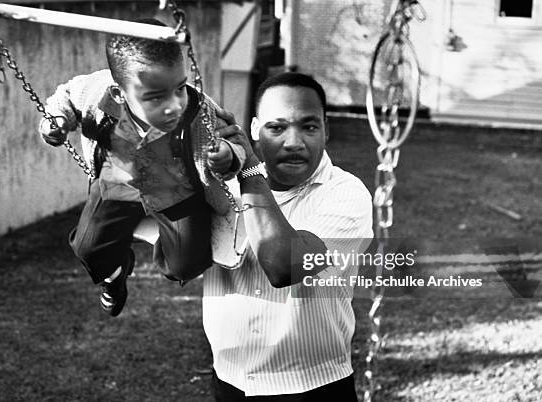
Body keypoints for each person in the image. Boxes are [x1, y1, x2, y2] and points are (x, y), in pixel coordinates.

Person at [39, 19, 245, 317]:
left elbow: (232, 140)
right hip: (118, 182)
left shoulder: (199, 109)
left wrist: (228, 157)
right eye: (155, 97)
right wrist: (55, 121)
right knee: (87, 247)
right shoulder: (97, 92)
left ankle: (163, 234)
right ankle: (115, 275)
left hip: (175, 188)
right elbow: (66, 96)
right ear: (120, 94)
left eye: (179, 88)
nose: (173, 105)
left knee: (186, 265)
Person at [204, 72, 373, 400]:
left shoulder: (347, 194)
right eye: (276, 127)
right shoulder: (223, 185)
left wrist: (250, 171)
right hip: (228, 379)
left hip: (311, 387)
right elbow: (177, 263)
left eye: (309, 126)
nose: (294, 142)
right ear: (254, 130)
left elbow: (283, 266)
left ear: (326, 130)